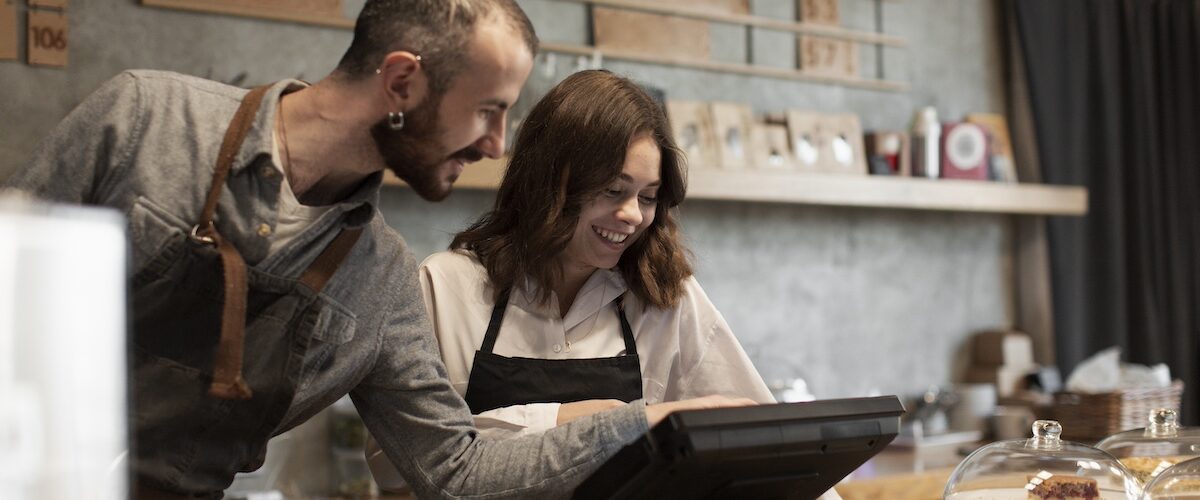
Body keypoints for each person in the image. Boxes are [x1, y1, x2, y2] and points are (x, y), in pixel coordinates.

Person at [2, 1, 749, 497]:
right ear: (401, 82)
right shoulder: (147, 122)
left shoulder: (379, 279)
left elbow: (453, 470)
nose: (496, 144)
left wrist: (639, 422)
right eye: (488, 111)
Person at [367, 69, 827, 495]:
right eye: (613, 190)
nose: (631, 215)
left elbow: (757, 440)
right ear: (551, 181)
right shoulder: (445, 287)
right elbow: (398, 467)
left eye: (647, 197)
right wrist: (599, 420)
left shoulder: (666, 295)